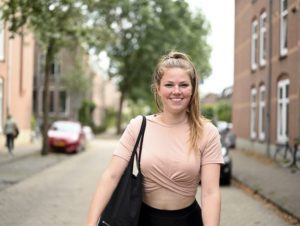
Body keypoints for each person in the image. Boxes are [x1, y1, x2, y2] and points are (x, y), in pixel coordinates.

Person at [85, 51, 224, 226]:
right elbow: (111, 176)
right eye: (169, 84)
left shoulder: (208, 132)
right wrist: (89, 223)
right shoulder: (139, 126)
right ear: (158, 88)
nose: (176, 91)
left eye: (183, 85)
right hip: (142, 220)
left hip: (188, 221)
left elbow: (210, 192)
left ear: (193, 88)